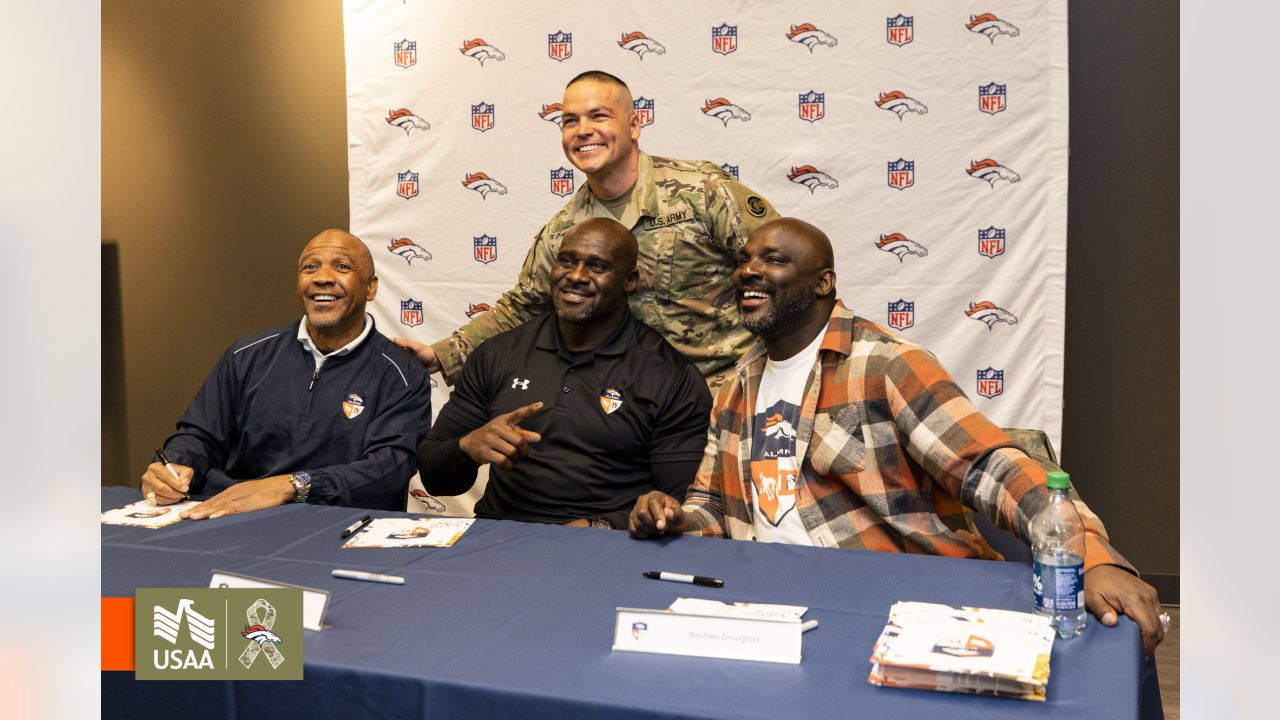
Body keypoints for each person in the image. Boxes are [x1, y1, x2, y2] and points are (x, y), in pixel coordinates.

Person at [628, 217, 1167, 654]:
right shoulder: (737, 384)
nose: (749, 270)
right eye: (745, 259)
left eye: (773, 259)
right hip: (769, 609)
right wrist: (674, 517)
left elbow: (989, 466)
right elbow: (711, 506)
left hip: (890, 607)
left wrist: (1089, 554)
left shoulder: (886, 364)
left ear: (823, 283)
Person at [395, 70, 780, 388]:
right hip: (633, 402)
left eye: (598, 116)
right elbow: (524, 307)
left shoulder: (701, 192)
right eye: (569, 120)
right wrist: (443, 353)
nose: (582, 130)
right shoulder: (566, 229)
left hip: (730, 391)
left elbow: (784, 267)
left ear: (634, 125)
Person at [416, 218, 711, 529]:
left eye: (597, 266)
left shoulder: (670, 375)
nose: (576, 276)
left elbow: (679, 506)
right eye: (567, 260)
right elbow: (436, 479)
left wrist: (600, 526)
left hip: (607, 548)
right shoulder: (498, 353)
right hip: (499, 537)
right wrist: (468, 447)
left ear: (630, 280)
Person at [140, 229, 433, 519]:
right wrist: (173, 467)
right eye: (310, 267)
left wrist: (293, 486)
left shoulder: (401, 373)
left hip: (338, 528)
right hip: (235, 520)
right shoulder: (246, 355)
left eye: (342, 266)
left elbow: (388, 469)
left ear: (371, 288)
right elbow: (199, 435)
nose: (322, 277)